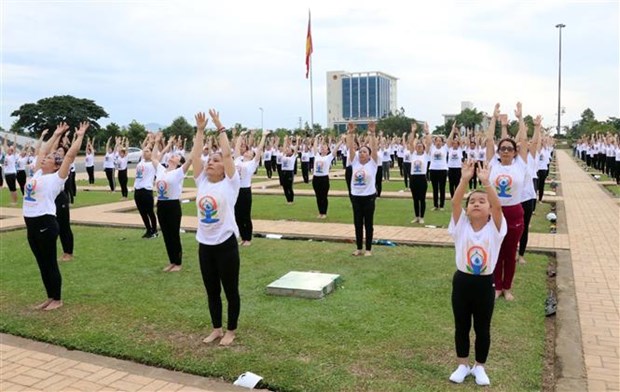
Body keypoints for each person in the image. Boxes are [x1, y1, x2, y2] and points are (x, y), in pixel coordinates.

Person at [448, 158, 506, 386]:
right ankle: (462, 364)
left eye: (482, 201)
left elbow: (499, 206)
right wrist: (464, 180)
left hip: (484, 284)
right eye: (472, 201)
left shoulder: (496, 229)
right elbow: (455, 204)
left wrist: (486, 183)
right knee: (461, 324)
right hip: (462, 282)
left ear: (489, 210)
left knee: (482, 327)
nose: (476, 204)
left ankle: (480, 366)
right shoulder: (461, 225)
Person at [23, 121, 89, 311]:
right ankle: (50, 297)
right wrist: (56, 134)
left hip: (45, 223)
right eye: (47, 157)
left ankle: (57, 299)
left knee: (50, 262)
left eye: (51, 158)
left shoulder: (56, 178)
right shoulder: (37, 174)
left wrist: (80, 136)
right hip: (32, 224)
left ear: (55, 166)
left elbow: (70, 155)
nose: (45, 158)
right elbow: (42, 151)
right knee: (42, 263)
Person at [192, 109, 241, 346]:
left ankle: (231, 330)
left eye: (215, 160)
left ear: (224, 167)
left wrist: (220, 126)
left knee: (230, 290)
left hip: (226, 244)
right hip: (205, 244)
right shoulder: (201, 180)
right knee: (212, 291)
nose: (211, 162)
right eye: (209, 160)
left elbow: (229, 156)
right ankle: (216, 329)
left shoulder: (231, 184)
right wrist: (200, 131)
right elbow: (194, 157)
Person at [485, 103, 529, 301]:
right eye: (502, 148)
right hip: (494, 211)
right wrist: (493, 118)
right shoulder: (493, 163)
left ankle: (507, 287)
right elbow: (488, 139)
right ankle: (496, 286)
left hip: (514, 212)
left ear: (514, 152)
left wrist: (520, 118)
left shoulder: (520, 165)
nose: (505, 151)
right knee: (496, 249)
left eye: (509, 149)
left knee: (510, 252)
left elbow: (525, 140)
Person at [151, 134, 192, 272]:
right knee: (166, 235)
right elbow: (153, 158)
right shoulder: (161, 170)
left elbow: (191, 159)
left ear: (179, 162)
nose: (172, 156)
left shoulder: (179, 172)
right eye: (172, 155)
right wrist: (156, 142)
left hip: (173, 205)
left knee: (174, 234)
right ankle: (171, 261)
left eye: (176, 156)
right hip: (161, 205)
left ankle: (178, 263)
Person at [346, 121, 379, 257]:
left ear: (369, 155)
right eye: (360, 152)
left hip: (369, 197)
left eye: (364, 152)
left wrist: (372, 134)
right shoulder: (354, 163)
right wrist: (351, 133)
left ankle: (368, 249)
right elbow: (350, 148)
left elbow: (374, 148)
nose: (361, 154)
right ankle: (359, 248)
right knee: (358, 223)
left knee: (368, 224)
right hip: (356, 197)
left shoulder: (373, 164)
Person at [233, 129, 268, 246]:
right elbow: (237, 148)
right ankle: (242, 237)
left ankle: (248, 238)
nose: (247, 152)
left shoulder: (252, 163)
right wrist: (240, 136)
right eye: (247, 151)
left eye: (250, 152)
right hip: (235, 191)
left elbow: (259, 150)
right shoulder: (238, 160)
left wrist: (263, 136)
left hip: (245, 191)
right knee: (237, 215)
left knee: (245, 216)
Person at [311, 134, 343, 219]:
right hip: (316, 178)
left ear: (327, 150)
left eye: (324, 147)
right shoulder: (317, 156)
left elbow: (335, 149)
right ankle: (320, 212)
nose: (322, 148)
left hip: (324, 178)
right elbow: (314, 147)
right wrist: (316, 138)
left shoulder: (329, 157)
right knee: (318, 196)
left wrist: (340, 141)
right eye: (321, 147)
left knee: (324, 196)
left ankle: (324, 212)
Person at [133, 136, 158, 238]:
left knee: (150, 212)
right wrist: (148, 139)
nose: (145, 152)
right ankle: (148, 230)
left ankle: (154, 230)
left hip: (146, 190)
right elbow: (144, 148)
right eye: (145, 151)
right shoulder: (141, 161)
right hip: (137, 190)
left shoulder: (153, 163)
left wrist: (155, 143)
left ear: (151, 153)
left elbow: (154, 152)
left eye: (148, 151)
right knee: (142, 212)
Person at [408, 123, 431, 224]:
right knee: (415, 199)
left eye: (421, 146)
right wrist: (413, 131)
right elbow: (410, 142)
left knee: (422, 198)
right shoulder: (413, 154)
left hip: (422, 178)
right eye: (417, 146)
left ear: (423, 148)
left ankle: (422, 217)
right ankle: (416, 216)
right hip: (413, 178)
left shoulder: (426, 155)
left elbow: (429, 143)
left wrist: (427, 131)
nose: (419, 147)